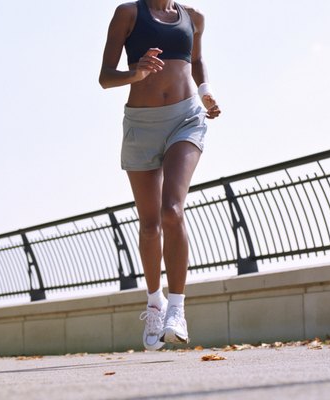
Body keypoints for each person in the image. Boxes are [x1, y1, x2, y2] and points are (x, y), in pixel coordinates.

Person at [98, 0, 221, 350]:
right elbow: (105, 76)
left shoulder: (193, 17)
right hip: (141, 125)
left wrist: (206, 92)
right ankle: (155, 302)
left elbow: (196, 62)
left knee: (173, 210)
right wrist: (135, 73)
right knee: (150, 224)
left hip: (186, 118)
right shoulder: (128, 14)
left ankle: (177, 310)